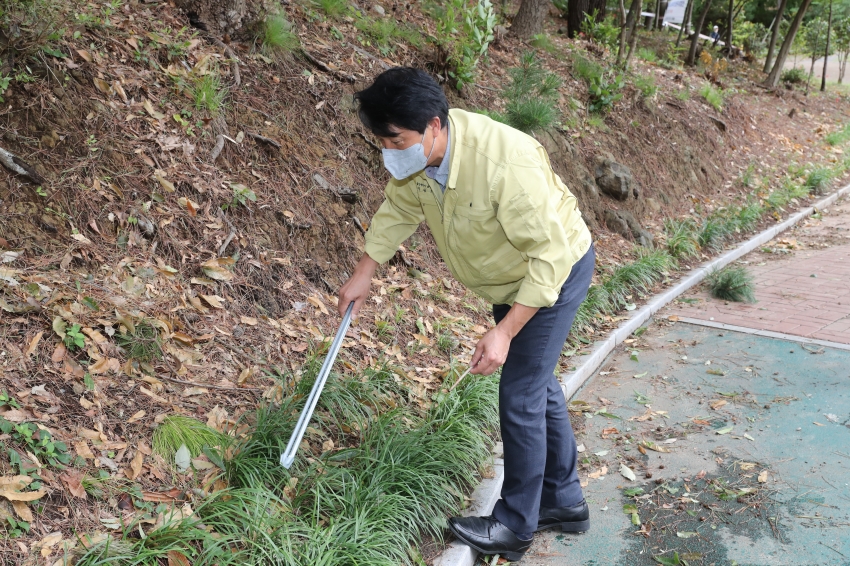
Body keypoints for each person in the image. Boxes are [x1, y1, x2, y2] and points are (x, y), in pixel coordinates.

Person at [338, 67, 595, 562]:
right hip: (509, 275)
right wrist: (365, 270)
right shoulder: (419, 162)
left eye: (399, 141)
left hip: (553, 272)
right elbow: (398, 211)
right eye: (383, 143)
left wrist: (503, 331)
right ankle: (564, 501)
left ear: (434, 125)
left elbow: (549, 258)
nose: (391, 152)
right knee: (537, 384)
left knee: (520, 391)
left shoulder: (504, 163)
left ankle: (514, 526)